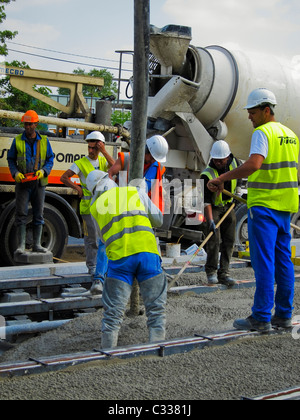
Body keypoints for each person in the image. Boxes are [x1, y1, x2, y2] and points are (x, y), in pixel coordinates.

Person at [207, 88, 299, 333]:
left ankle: (260, 317)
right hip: (285, 206)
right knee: (283, 263)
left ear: (266, 110)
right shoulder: (291, 135)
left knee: (264, 262)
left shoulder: (262, 132)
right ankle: (283, 315)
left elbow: (254, 164)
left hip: (265, 206)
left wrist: (222, 178)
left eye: (253, 112)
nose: (249, 117)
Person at [87, 170, 167, 349]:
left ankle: (107, 353)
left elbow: (102, 239)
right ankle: (157, 350)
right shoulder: (134, 192)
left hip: (120, 260)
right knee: (156, 310)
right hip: (147, 254)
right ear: (110, 180)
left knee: (113, 314)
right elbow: (159, 219)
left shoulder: (94, 207)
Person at [60, 131, 115, 279]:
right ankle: (92, 267)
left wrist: (104, 151)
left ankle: (103, 267)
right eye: (89, 147)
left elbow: (116, 166)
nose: (91, 150)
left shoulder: (103, 162)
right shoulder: (81, 163)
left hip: (103, 206)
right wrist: (77, 188)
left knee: (104, 239)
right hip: (88, 206)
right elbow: (64, 177)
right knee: (92, 239)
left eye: (94, 148)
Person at [7, 110, 54, 255]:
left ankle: (37, 245)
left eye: (30, 124)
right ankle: (21, 246)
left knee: (38, 214)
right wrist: (15, 173)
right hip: (23, 184)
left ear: (36, 124)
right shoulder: (18, 140)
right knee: (21, 214)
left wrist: (44, 171)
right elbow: (11, 159)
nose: (28, 127)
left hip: (38, 184)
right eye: (26, 124)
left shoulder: (44, 141)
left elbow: (50, 159)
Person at [201, 140, 241, 286]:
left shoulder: (235, 162)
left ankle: (224, 273)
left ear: (228, 157)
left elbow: (239, 177)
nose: (218, 162)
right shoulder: (206, 174)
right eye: (216, 160)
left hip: (229, 206)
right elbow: (205, 201)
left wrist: (237, 193)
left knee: (229, 240)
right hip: (214, 208)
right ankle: (211, 272)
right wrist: (211, 221)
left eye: (221, 160)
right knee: (213, 240)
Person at [108, 135, 169, 213]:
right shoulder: (126, 159)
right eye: (152, 158)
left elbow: (156, 192)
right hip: (120, 207)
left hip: (140, 210)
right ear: (146, 150)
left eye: (155, 159)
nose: (153, 161)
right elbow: (109, 174)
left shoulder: (157, 168)